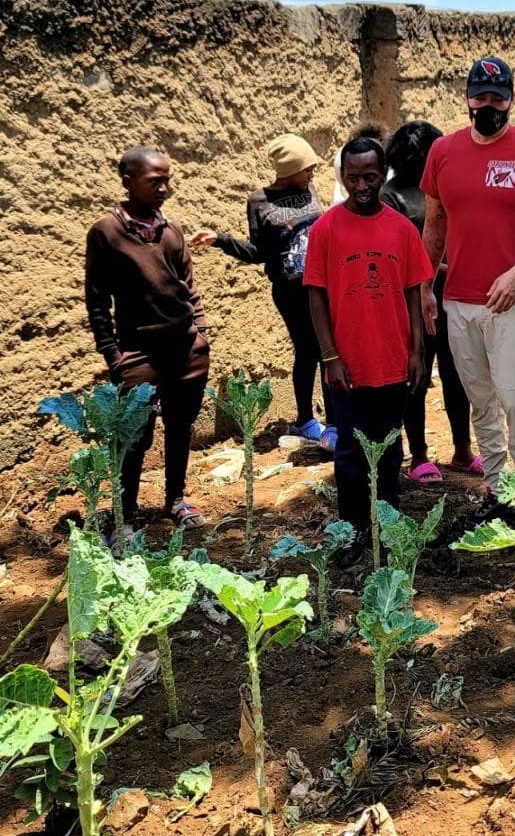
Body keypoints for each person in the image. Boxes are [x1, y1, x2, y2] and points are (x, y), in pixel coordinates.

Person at [421, 56, 515, 519]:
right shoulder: (443, 152)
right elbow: (435, 222)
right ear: (466, 99)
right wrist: (426, 286)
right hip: (458, 303)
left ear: (511, 99)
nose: (489, 106)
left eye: (497, 97)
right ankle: (498, 490)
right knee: (481, 402)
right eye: (480, 97)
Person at [305, 130, 431, 564]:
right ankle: (352, 529)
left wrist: (416, 352)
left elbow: (414, 292)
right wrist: (330, 356)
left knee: (391, 447)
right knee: (351, 452)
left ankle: (389, 524)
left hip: (395, 361)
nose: (362, 186)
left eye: (371, 177)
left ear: (383, 176)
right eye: (354, 177)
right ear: (343, 176)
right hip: (348, 366)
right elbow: (316, 296)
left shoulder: (401, 230)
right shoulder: (325, 230)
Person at [85, 146, 210, 530]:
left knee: (179, 427)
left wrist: (201, 335)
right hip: (138, 355)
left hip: (186, 350)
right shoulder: (107, 233)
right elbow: (96, 301)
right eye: (155, 181)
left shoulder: (171, 231)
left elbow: (189, 288)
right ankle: (127, 511)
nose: (164, 189)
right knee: (134, 438)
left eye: (167, 181)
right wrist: (113, 355)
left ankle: (175, 499)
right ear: (128, 181)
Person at [191, 134, 332, 448]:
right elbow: (257, 252)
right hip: (289, 291)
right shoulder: (259, 201)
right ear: (287, 170)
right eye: (306, 168)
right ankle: (307, 420)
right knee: (307, 351)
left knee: (329, 349)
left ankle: (335, 424)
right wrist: (221, 240)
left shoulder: (309, 190)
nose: (312, 173)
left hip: (322, 284)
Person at [380, 120, 478, 483]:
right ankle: (419, 454)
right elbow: (399, 254)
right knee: (416, 374)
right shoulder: (392, 197)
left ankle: (462, 449)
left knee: (457, 374)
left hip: (453, 295)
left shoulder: (442, 189)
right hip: (413, 299)